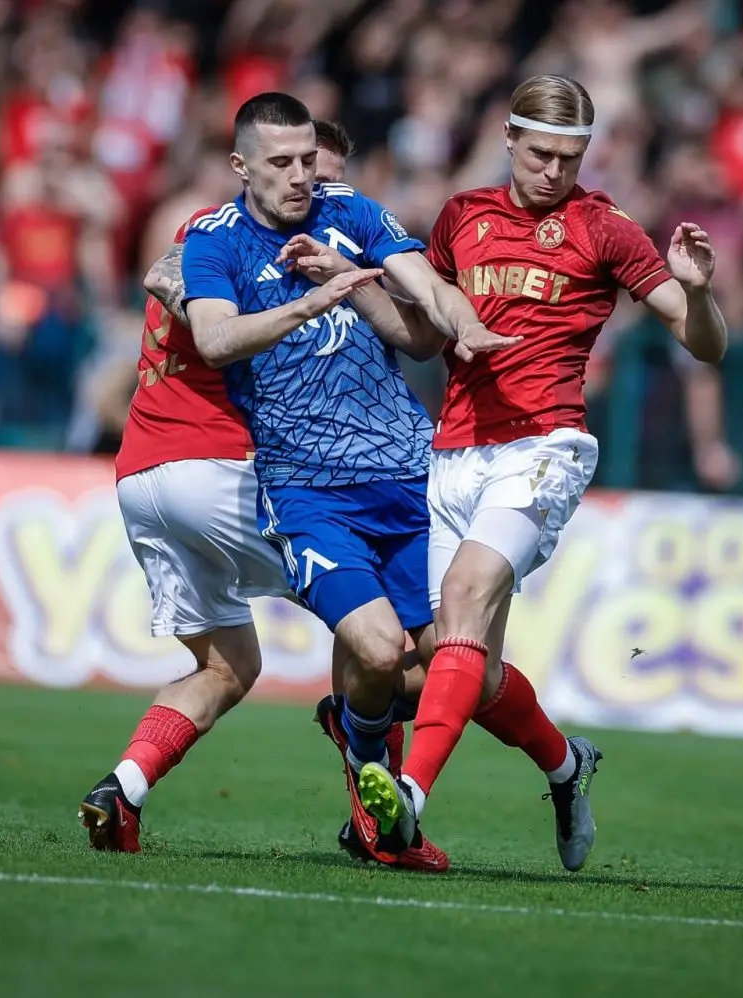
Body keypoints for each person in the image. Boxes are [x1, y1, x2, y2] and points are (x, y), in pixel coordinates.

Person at [350, 74, 729, 871]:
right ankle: (565, 766)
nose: (555, 171)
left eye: (570, 158)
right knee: (463, 665)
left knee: (465, 595)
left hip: (545, 446)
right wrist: (345, 288)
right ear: (509, 140)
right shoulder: (462, 217)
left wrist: (698, 296)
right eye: (541, 154)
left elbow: (706, 345)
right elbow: (424, 336)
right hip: (456, 453)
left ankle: (409, 798)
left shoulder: (606, 229)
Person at [78, 118, 440, 869]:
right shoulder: (235, 241)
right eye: (298, 169)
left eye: (323, 174)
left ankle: (122, 789)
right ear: (251, 169)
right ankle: (376, 810)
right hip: (220, 465)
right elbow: (180, 282)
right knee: (376, 634)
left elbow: (165, 270)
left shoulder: (214, 236)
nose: (314, 189)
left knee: (229, 666)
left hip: (143, 476)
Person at [177, 91, 519, 868]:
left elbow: (422, 290)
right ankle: (367, 757)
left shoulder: (352, 213)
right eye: (282, 162)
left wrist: (463, 321)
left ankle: (545, 765)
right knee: (377, 648)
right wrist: (312, 302)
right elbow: (216, 339)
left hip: (408, 479)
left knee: (449, 667)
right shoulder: (214, 240)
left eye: (308, 159)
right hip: (307, 489)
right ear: (241, 166)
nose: (302, 175)